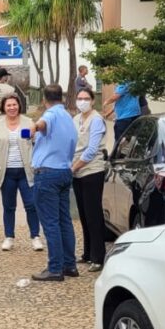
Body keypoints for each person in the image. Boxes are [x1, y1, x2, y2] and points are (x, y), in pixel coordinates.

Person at [28, 84, 78, 282]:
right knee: (64, 220)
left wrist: (33, 128)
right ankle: (69, 264)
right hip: (64, 171)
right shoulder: (68, 117)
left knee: (50, 222)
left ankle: (55, 268)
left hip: (47, 173)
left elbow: (42, 124)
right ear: (62, 97)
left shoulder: (51, 115)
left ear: (44, 100)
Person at [0, 94, 43, 252]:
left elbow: (36, 142)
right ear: (3, 108)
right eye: (8, 105)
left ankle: (35, 237)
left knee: (31, 204)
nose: (12, 108)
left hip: (26, 171)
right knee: (8, 206)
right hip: (6, 172)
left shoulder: (28, 123)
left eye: (14, 104)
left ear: (19, 105)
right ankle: (9, 237)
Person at [71, 87, 107, 272]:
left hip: (92, 170)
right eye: (79, 98)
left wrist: (74, 167)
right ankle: (87, 253)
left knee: (93, 214)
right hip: (76, 171)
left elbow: (92, 149)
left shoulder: (97, 119)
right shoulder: (76, 119)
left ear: (93, 101)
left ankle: (98, 256)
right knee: (84, 215)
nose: (82, 101)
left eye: (86, 98)